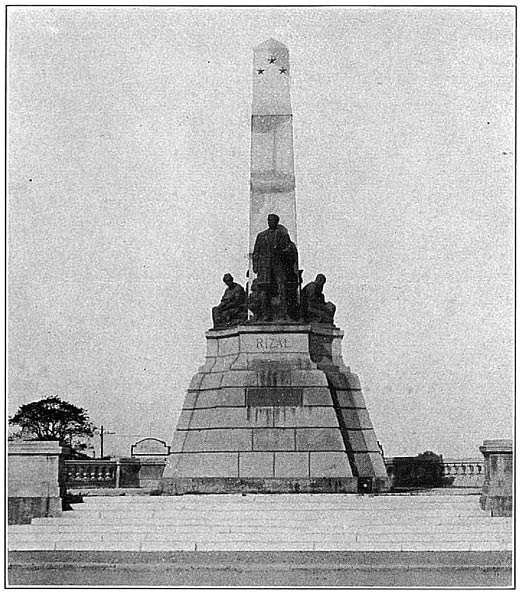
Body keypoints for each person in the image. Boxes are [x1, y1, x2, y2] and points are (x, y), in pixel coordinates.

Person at [252, 214, 299, 321]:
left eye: (272, 220)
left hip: (279, 267)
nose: (270, 222)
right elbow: (256, 252)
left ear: (277, 222)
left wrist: (282, 252)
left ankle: (284, 313)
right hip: (265, 268)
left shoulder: (283, 235)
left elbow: (289, 249)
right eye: (269, 220)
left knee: (283, 289)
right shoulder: (261, 235)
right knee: (264, 291)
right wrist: (255, 266)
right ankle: (265, 314)